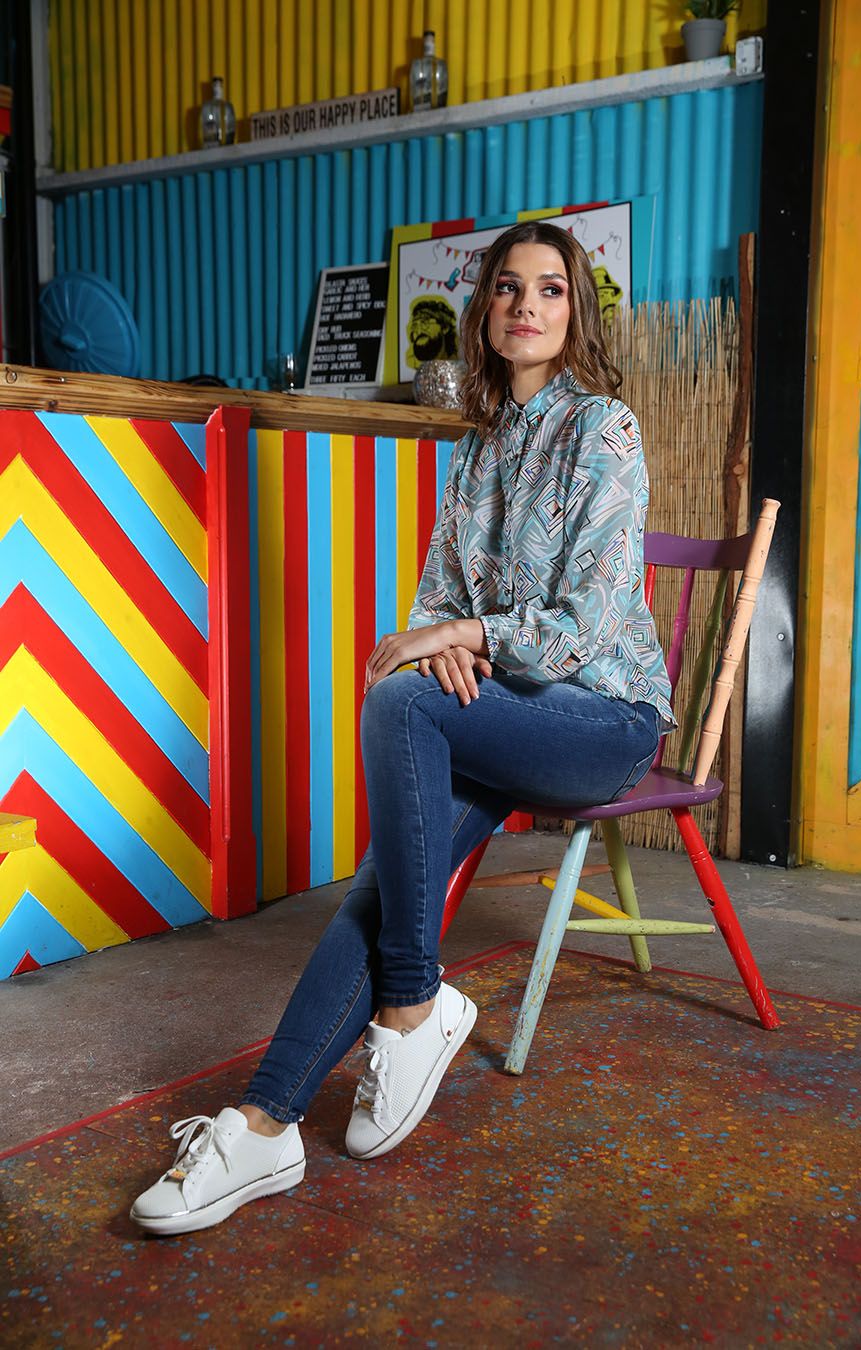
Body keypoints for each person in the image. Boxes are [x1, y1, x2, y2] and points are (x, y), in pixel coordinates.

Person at [130, 221, 675, 1237]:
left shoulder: (605, 428)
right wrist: (447, 641)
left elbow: (587, 625)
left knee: (399, 699)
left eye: (550, 289)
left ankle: (416, 1002)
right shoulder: (474, 453)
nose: (525, 305)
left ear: (577, 314)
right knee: (383, 878)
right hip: (505, 713)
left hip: (603, 719)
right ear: (484, 311)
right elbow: (435, 601)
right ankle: (265, 1123)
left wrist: (462, 637)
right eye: (507, 288)